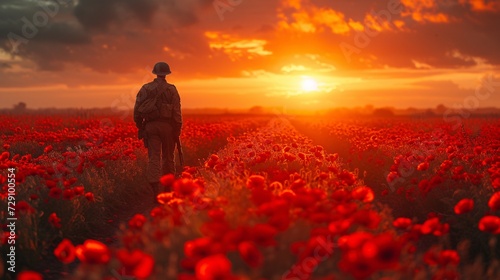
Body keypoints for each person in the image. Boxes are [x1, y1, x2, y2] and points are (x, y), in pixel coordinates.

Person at [133, 62, 182, 198]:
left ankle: (155, 192)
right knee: (168, 157)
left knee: (154, 158)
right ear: (167, 74)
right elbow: (177, 113)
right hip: (168, 127)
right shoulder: (171, 89)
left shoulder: (145, 88)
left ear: (154, 73)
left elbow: (137, 110)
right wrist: (177, 129)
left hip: (150, 126)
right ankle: (167, 190)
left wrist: (140, 127)